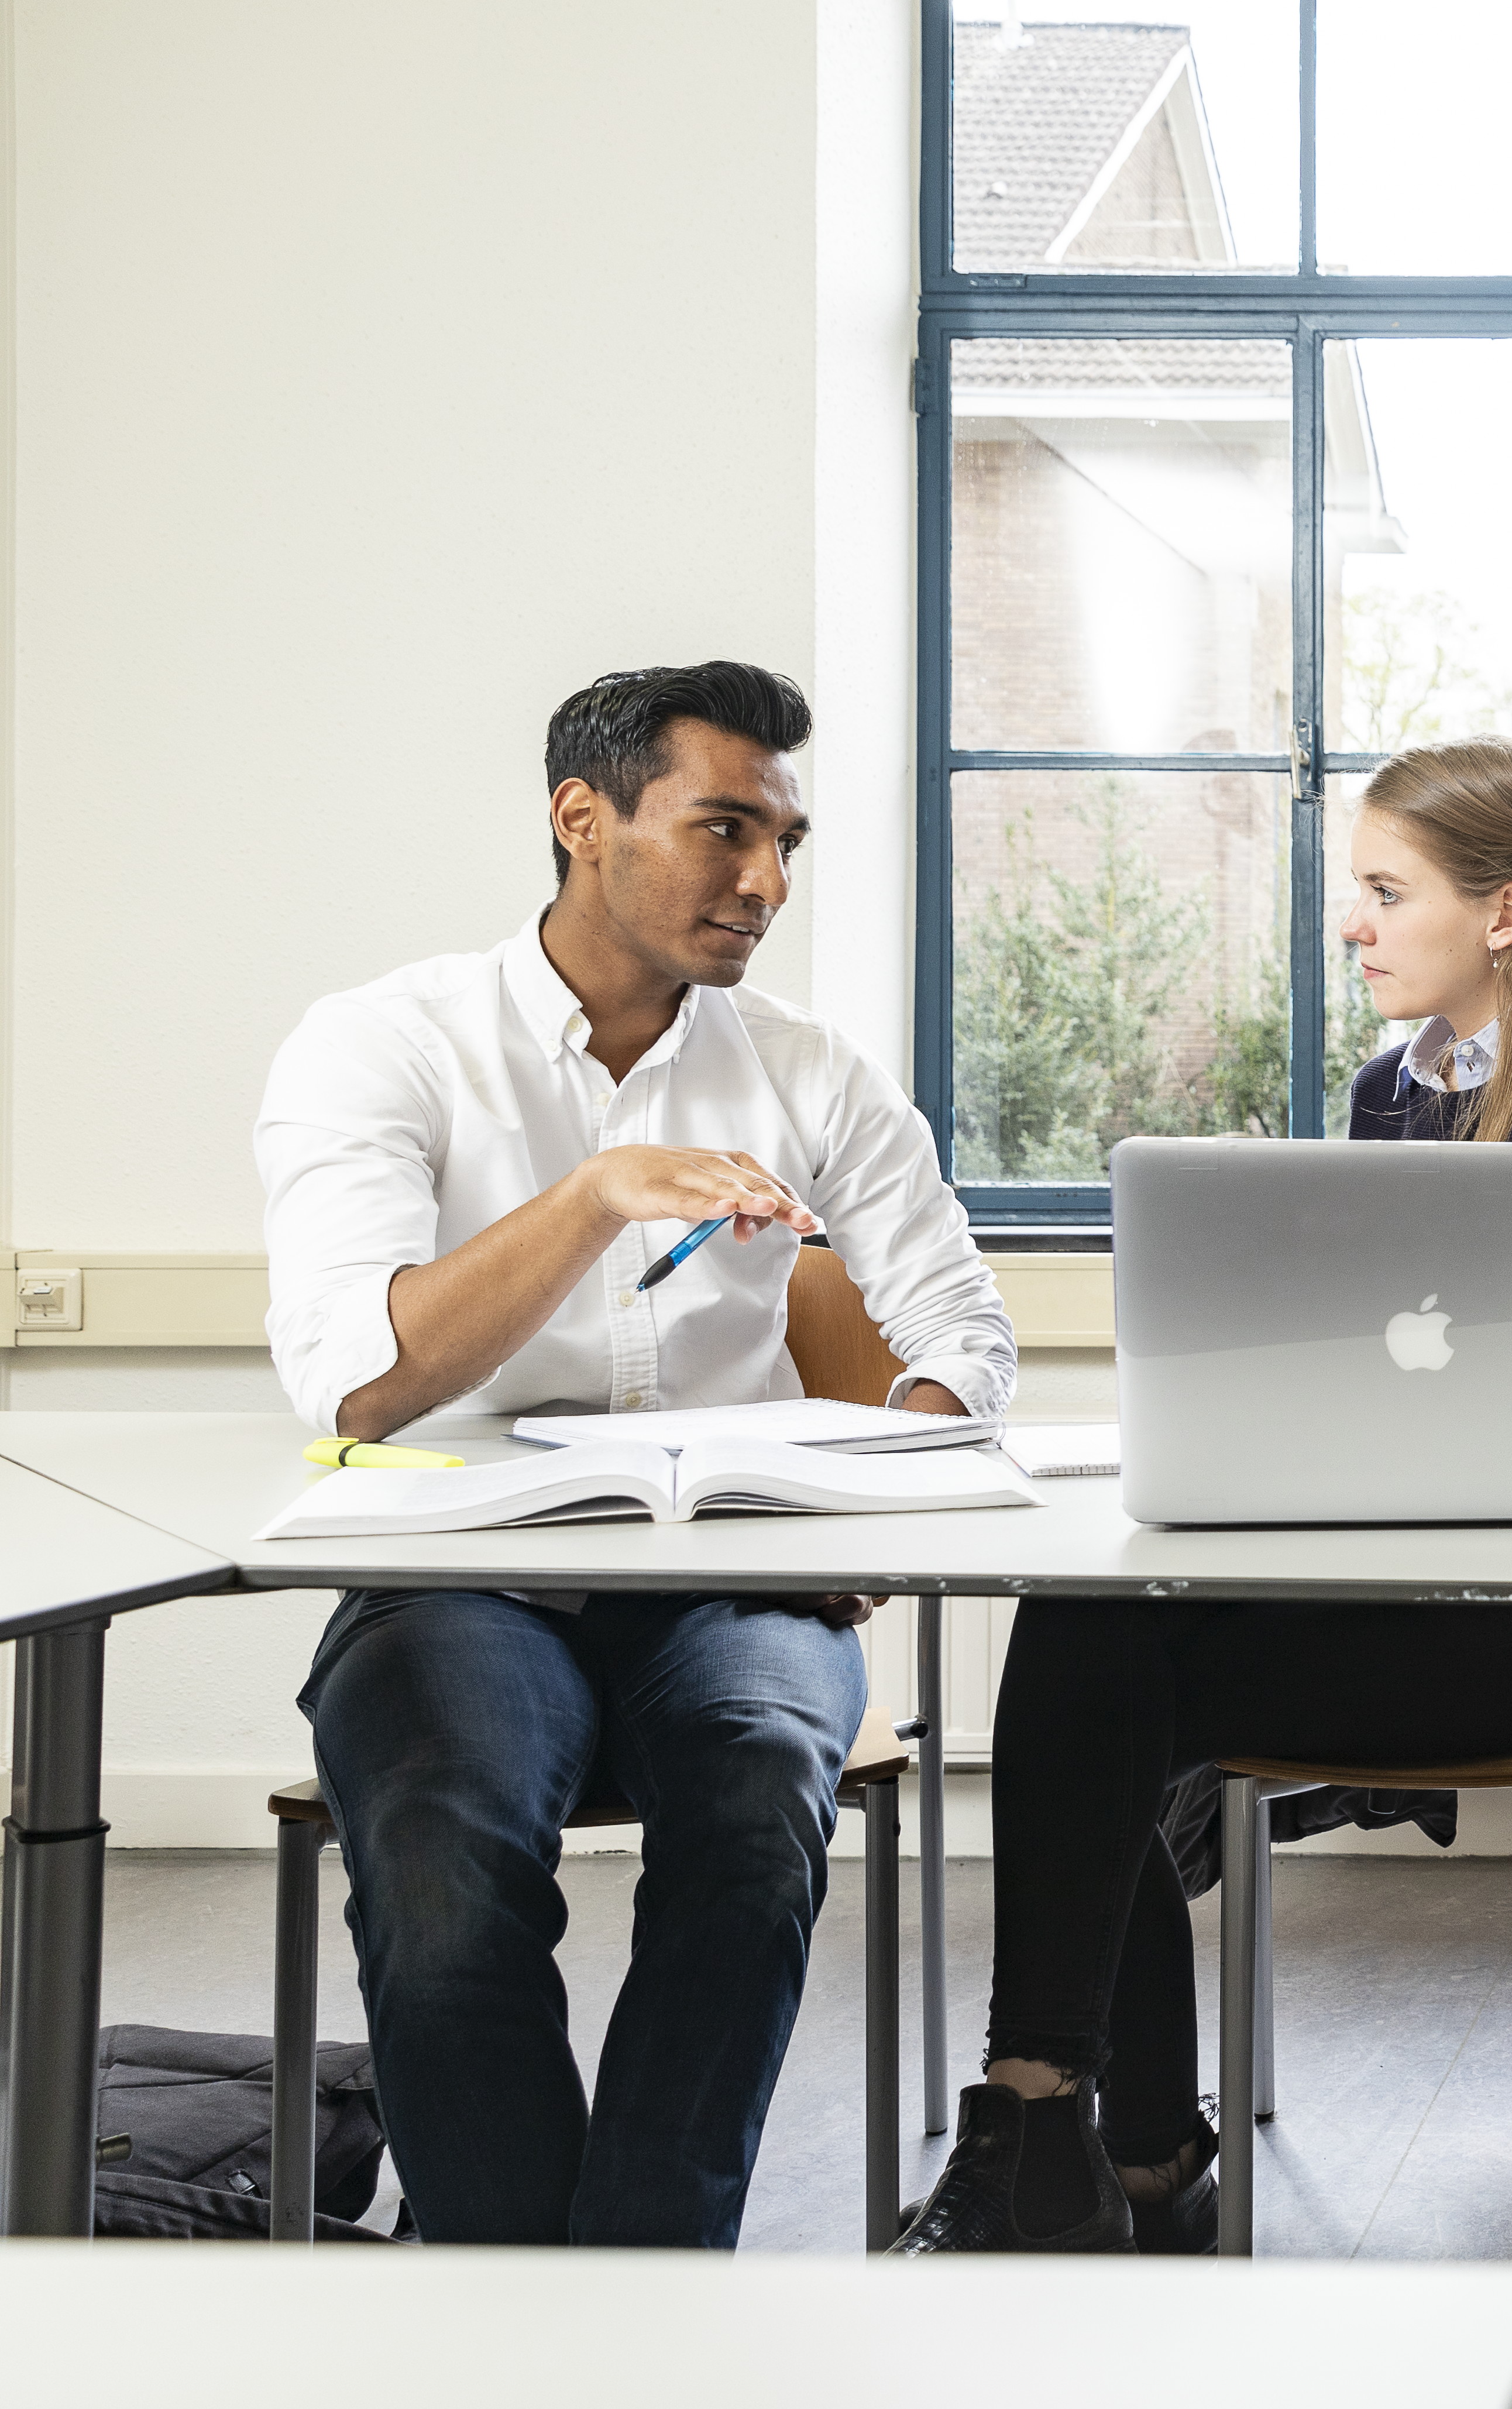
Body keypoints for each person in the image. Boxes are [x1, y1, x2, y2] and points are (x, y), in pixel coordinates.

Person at [894, 735, 1512, 2255]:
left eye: (1388, 892)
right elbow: (1375, 1375)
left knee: (1099, 1676)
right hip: (1392, 1576)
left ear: (1507, 912)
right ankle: (1082, 2134)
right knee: (1089, 1640)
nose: (1356, 924)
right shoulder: (1393, 1090)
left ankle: (1078, 2146)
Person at [255, 661, 1018, 2247]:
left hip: (733, 1579)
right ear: (580, 820)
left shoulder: (814, 1071)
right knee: (447, 1871)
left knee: (753, 1816)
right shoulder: (381, 1045)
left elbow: (963, 1337)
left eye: (787, 842)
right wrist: (597, 1193)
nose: (767, 882)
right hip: (464, 1583)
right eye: (725, 827)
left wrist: (877, 1485)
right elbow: (353, 1389)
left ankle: (647, 2280)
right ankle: (519, 2284)